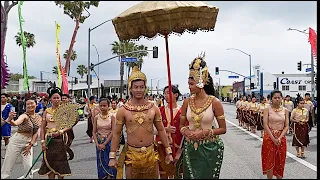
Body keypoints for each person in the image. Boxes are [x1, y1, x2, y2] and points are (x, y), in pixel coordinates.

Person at [108, 66, 173, 179]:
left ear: (145, 88)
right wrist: (112, 157)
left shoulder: (153, 108)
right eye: (136, 87)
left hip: (151, 154)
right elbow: (116, 134)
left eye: (142, 87)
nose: (139, 90)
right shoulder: (123, 110)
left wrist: (168, 152)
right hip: (131, 155)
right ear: (131, 89)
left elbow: (161, 130)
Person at [179, 54, 226, 179]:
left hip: (209, 148)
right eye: (188, 84)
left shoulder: (215, 102)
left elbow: (223, 129)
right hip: (190, 148)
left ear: (201, 83)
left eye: (191, 84)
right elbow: (181, 125)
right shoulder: (186, 102)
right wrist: (187, 131)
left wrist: (204, 132)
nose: (189, 87)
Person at [1, 97, 41, 179]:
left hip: (28, 143)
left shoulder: (38, 118)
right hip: (16, 142)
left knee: (28, 165)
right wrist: (10, 119)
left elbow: (36, 132)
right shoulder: (24, 116)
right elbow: (15, 123)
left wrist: (31, 144)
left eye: (32, 103)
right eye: (27, 104)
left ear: (36, 104)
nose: (30, 105)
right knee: (8, 164)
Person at [38, 84, 72, 179]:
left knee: (61, 164)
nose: (56, 100)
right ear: (50, 99)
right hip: (49, 139)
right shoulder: (47, 111)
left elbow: (69, 125)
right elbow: (42, 127)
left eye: (58, 98)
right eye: (54, 98)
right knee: (50, 163)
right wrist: (42, 142)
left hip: (60, 139)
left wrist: (61, 131)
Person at [155, 85, 184, 179]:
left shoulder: (182, 112)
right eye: (164, 93)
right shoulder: (160, 110)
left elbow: (186, 133)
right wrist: (165, 129)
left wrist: (180, 151)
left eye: (168, 93)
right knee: (163, 174)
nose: (165, 95)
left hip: (176, 148)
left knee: (177, 174)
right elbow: (152, 130)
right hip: (161, 147)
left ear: (176, 95)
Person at [261, 90, 289, 179]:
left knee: (280, 160)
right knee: (269, 160)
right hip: (269, 137)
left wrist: (280, 137)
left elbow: (287, 126)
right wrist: (273, 138)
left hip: (281, 138)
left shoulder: (286, 110)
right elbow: (265, 125)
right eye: (275, 98)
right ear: (271, 99)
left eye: (279, 98)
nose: (277, 99)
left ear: (282, 99)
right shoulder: (266, 109)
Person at [92, 98, 117, 179]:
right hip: (99, 143)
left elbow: (113, 131)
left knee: (109, 162)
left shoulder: (112, 117)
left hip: (109, 142)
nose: (102, 107)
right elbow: (94, 132)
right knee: (100, 162)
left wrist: (105, 143)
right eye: (101, 106)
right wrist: (97, 144)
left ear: (108, 106)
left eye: (104, 105)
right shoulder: (96, 117)